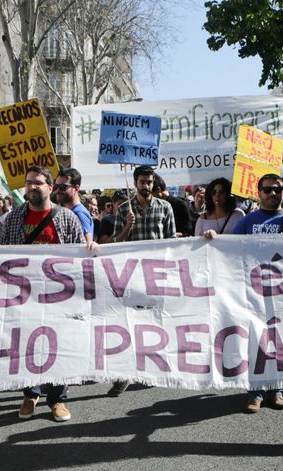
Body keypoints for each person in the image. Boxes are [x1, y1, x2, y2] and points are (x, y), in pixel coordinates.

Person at [207, 173, 283, 411]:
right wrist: (213, 239)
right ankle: (256, 392)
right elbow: (227, 249)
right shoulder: (248, 222)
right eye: (268, 189)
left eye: (278, 190)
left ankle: (278, 389)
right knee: (256, 340)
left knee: (280, 341)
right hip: (254, 293)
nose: (273, 193)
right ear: (259, 192)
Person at [0, 165, 90, 422]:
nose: (32, 186)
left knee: (57, 346)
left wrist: (90, 247)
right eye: (29, 182)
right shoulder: (14, 218)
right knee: (26, 345)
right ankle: (30, 393)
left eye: (38, 182)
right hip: (24, 295)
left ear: (50, 187)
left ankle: (57, 399)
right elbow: (2, 255)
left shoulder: (67, 218)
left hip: (58, 296)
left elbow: (79, 255)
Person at [110, 166, 176, 396]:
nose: (146, 186)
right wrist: (128, 224)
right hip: (132, 276)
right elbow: (116, 243)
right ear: (135, 183)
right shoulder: (124, 210)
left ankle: (155, 368)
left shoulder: (165, 207)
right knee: (129, 325)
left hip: (156, 275)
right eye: (142, 182)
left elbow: (170, 242)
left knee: (156, 323)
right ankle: (124, 374)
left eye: (149, 182)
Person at [54, 168, 94, 243]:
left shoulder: (79, 213)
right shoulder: (67, 211)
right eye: (56, 186)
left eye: (63, 187)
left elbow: (87, 244)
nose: (57, 190)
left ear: (76, 188)